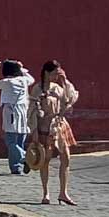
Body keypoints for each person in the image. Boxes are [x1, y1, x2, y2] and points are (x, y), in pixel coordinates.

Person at [29, 60, 79, 205]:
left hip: (59, 125)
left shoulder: (58, 88)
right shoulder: (37, 89)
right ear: (46, 73)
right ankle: (46, 193)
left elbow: (70, 99)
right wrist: (34, 130)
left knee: (66, 158)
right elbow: (32, 111)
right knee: (45, 160)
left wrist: (65, 81)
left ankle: (63, 192)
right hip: (44, 127)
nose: (56, 76)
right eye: (54, 74)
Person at [0, 59, 33, 175]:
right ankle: (15, 167)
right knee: (19, 140)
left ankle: (24, 157)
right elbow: (31, 79)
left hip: (11, 111)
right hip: (23, 111)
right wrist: (22, 69)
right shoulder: (24, 80)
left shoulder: (7, 82)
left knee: (10, 141)